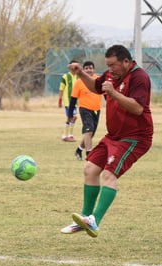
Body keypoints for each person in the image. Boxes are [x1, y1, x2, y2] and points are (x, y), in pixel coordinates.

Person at [61, 45, 153, 238]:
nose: (110, 69)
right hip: (114, 135)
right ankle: (84, 218)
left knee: (109, 174)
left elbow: (137, 108)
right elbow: (96, 87)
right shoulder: (111, 76)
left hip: (135, 137)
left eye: (113, 65)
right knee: (90, 169)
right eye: (108, 65)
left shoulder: (139, 77)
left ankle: (94, 221)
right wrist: (80, 74)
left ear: (126, 62)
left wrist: (113, 93)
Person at [67, 61, 102, 161]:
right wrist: (70, 114)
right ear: (83, 70)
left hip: (96, 109)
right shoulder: (79, 82)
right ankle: (89, 154)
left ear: (94, 69)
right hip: (84, 109)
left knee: (90, 133)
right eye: (86, 68)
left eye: (90, 68)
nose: (88, 70)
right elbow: (73, 99)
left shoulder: (98, 79)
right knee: (89, 130)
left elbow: (105, 93)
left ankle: (79, 149)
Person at [58, 60, 79, 142]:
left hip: (75, 101)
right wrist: (60, 100)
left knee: (73, 118)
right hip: (68, 101)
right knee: (71, 117)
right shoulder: (65, 76)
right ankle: (66, 135)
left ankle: (69, 135)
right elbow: (61, 89)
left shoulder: (78, 76)